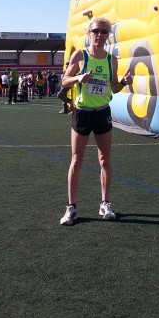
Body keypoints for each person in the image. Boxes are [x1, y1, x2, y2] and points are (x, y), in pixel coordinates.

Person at [59, 16, 133, 226]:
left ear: (108, 36)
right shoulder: (80, 56)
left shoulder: (112, 59)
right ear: (88, 33)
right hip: (82, 113)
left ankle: (105, 204)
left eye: (104, 32)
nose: (99, 35)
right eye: (96, 31)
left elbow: (113, 88)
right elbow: (64, 81)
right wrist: (78, 79)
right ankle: (71, 208)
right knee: (76, 160)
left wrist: (123, 83)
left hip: (102, 112)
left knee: (105, 160)